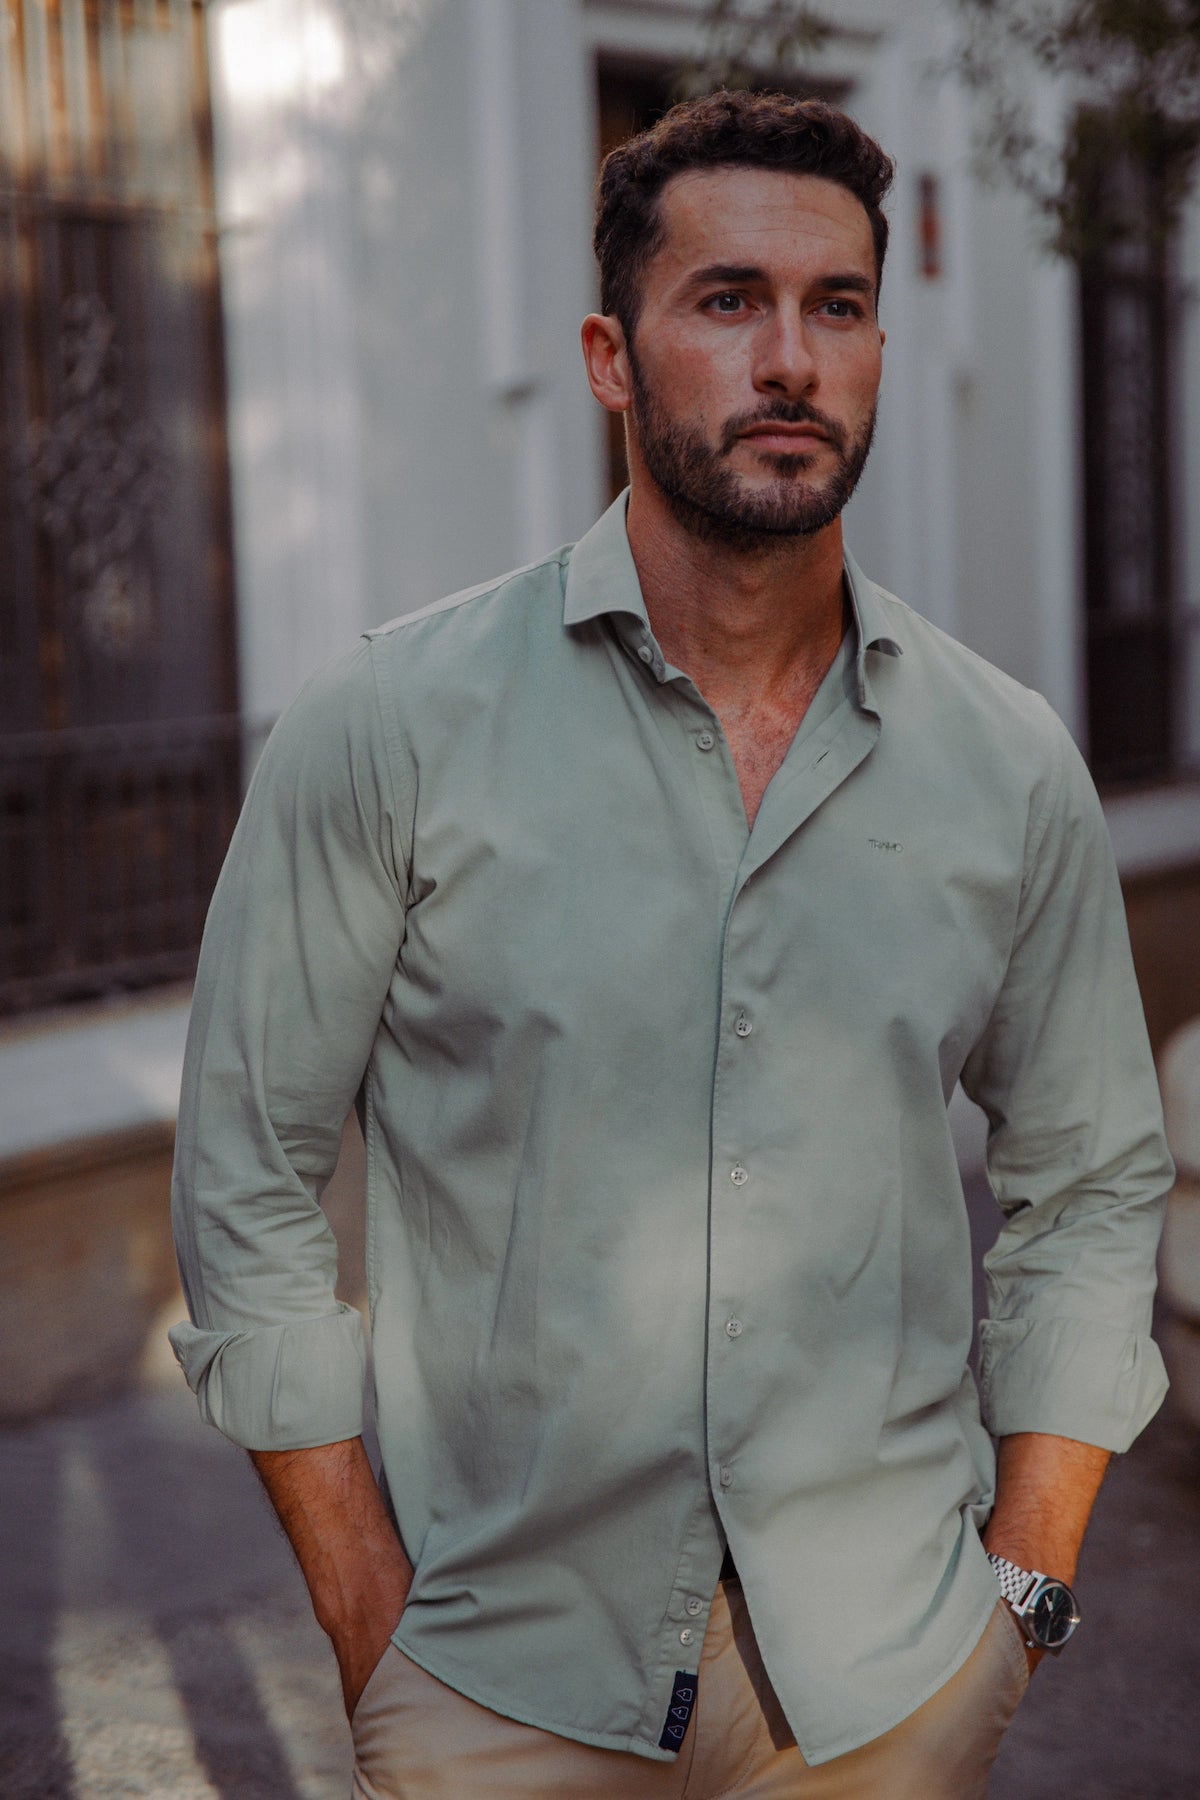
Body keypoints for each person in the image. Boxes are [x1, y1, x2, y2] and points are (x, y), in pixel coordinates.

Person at [170, 91, 1171, 1797]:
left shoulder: (1008, 764)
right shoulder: (391, 727)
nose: (791, 357)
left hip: (887, 1689)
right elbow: (246, 1176)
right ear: (609, 358)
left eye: (836, 306)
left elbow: (1091, 1181)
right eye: (728, 301)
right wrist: (368, 1621)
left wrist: (1023, 1591)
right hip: (499, 1691)